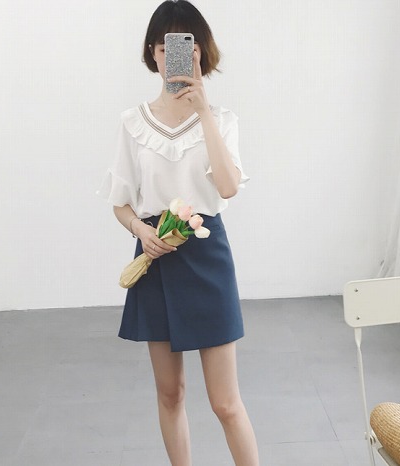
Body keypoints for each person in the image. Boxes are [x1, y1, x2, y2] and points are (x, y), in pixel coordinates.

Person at [97, 1, 259, 464]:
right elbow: (120, 201)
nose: (175, 56)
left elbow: (227, 187)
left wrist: (203, 112)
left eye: (186, 45)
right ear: (153, 52)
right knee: (171, 393)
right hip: (155, 257)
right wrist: (139, 230)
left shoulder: (222, 120)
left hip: (207, 256)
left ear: (201, 52)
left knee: (226, 403)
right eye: (166, 46)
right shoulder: (133, 123)